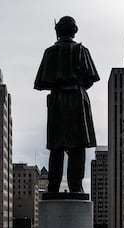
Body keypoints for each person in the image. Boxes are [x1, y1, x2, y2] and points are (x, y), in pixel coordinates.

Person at [34, 16, 100, 193]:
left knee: (57, 145)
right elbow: (91, 79)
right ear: (74, 31)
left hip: (57, 100)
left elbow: (41, 83)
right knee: (77, 146)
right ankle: (75, 187)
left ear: (57, 31)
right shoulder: (81, 50)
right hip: (77, 98)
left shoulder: (50, 52)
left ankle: (53, 187)